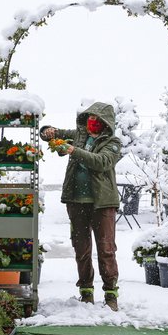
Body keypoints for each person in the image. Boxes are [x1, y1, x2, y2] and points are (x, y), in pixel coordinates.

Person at [40, 102, 122, 311]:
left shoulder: (113, 143)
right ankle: (86, 291)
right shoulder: (79, 135)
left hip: (102, 204)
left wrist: (72, 150)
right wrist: (46, 131)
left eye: (96, 120)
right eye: (89, 119)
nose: (92, 123)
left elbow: (101, 162)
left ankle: (110, 294)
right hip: (77, 202)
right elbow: (52, 134)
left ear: (105, 123)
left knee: (106, 249)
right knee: (81, 248)